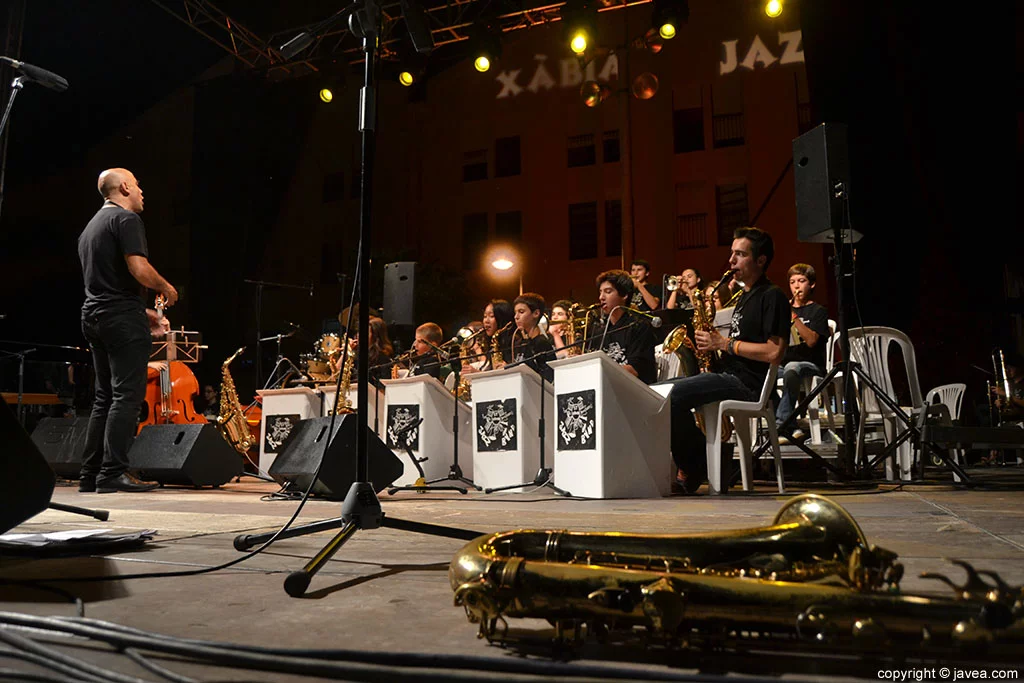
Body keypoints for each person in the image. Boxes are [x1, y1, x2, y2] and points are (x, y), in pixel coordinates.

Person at [661, 227, 789, 493]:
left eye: (740, 254)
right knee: (658, 393)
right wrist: (709, 348)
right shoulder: (743, 298)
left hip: (749, 383)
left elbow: (775, 352)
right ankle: (706, 465)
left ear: (761, 260)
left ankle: (696, 469)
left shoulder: (772, 295)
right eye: (732, 253)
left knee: (670, 395)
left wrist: (726, 343)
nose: (731, 261)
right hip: (731, 374)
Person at [78, 168, 177, 494]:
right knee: (125, 396)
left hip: (94, 316)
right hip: (119, 318)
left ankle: (90, 475)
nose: (141, 191)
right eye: (137, 185)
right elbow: (138, 268)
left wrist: (143, 312)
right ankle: (113, 473)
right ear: (123, 187)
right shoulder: (126, 220)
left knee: (104, 398)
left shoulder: (90, 228)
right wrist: (165, 287)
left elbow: (105, 285)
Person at [775, 264, 831, 440]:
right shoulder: (783, 311)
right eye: (792, 282)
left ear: (812, 284)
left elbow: (812, 341)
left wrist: (793, 317)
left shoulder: (818, 311)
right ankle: (790, 425)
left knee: (793, 367)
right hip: (786, 364)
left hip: (811, 364)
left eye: (801, 281)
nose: (796, 286)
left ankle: (780, 424)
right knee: (763, 370)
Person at [592, 270, 657, 384]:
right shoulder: (600, 331)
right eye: (600, 292)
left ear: (624, 295)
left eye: (608, 292)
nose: (601, 297)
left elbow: (634, 370)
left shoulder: (638, 326)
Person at [510, 293, 557, 381]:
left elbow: (549, 377)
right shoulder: (523, 343)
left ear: (536, 313)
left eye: (521, 312)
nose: (516, 317)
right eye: (515, 313)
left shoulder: (542, 343)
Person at [480, 299, 514, 370]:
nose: (486, 321)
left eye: (491, 316)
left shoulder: (514, 341)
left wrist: (508, 367)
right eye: (485, 316)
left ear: (502, 318)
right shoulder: (492, 342)